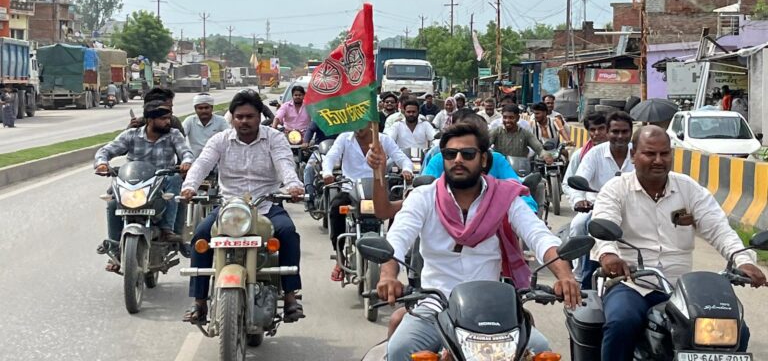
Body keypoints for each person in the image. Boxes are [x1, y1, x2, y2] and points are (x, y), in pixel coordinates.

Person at [379, 121, 581, 361]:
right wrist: (388, 276)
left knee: (540, 349)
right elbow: (397, 240)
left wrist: (565, 276)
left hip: (493, 309)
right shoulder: (424, 197)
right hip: (435, 305)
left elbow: (539, 236)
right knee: (401, 348)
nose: (458, 160)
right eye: (450, 154)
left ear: (484, 159)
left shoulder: (505, 197)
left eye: (467, 154)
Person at [592, 126, 765, 360]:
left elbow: (719, 229)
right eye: (650, 154)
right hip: (632, 284)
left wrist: (743, 260)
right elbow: (604, 227)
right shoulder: (616, 189)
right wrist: (609, 255)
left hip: (681, 289)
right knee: (621, 322)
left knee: (736, 330)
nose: (658, 160)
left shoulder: (688, 188)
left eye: (664, 154)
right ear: (633, 155)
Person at [180, 90, 306, 324]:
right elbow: (202, 164)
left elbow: (285, 163)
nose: (244, 121)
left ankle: (290, 297)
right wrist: (189, 187)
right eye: (239, 117)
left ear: (259, 116)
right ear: (232, 118)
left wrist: (293, 186)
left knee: (288, 233)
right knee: (200, 235)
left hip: (266, 205)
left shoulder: (274, 138)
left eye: (249, 116)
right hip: (230, 207)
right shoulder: (220, 140)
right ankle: (199, 303)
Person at [95, 101, 194, 271]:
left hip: (161, 182)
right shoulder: (131, 135)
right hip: (133, 183)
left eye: (168, 118)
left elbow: (186, 152)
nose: (167, 122)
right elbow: (105, 151)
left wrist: (186, 162)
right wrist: (102, 164)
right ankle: (115, 247)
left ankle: (168, 230)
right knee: (112, 203)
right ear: (150, 120)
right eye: (163, 119)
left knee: (176, 180)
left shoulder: (173, 135)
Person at [322, 127, 413, 281]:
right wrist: (327, 173)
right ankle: (340, 257)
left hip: (378, 190)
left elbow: (403, 158)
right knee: (336, 208)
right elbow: (330, 158)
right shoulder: (344, 138)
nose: (358, 128)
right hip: (351, 190)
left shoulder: (383, 140)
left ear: (370, 122)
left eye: (362, 123)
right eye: (355, 124)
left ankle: (391, 248)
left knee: (398, 208)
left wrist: (407, 170)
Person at [562, 112, 608, 287]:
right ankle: (580, 272)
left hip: (621, 205)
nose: (597, 133)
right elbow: (568, 182)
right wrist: (579, 200)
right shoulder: (581, 155)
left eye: (601, 128)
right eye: (593, 130)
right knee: (579, 225)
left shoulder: (626, 153)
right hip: (592, 204)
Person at [182, 93, 229, 159]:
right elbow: (180, 137)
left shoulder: (221, 120)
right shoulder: (189, 121)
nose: (204, 111)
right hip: (194, 161)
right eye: (200, 108)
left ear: (212, 108)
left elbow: (229, 138)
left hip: (215, 160)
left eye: (206, 108)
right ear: (195, 109)